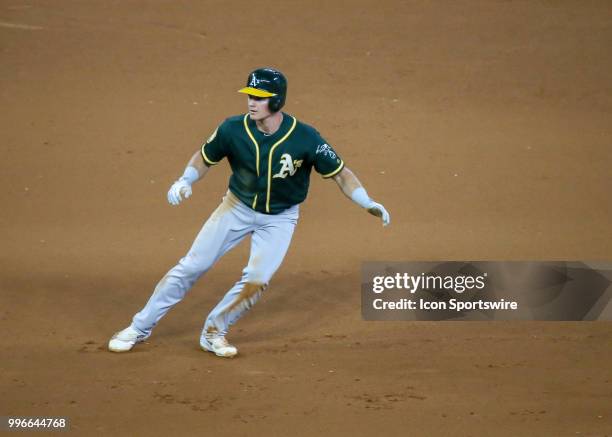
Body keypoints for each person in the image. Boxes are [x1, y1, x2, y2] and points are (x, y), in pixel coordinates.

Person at [108, 68, 390, 358]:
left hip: (280, 218)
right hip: (236, 208)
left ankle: (214, 332)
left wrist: (367, 201)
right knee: (192, 266)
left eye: (260, 97)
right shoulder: (232, 129)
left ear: (277, 101)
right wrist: (186, 179)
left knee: (257, 279)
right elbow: (205, 157)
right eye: (250, 96)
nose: (252, 102)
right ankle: (139, 327)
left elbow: (341, 174)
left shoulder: (305, 137)